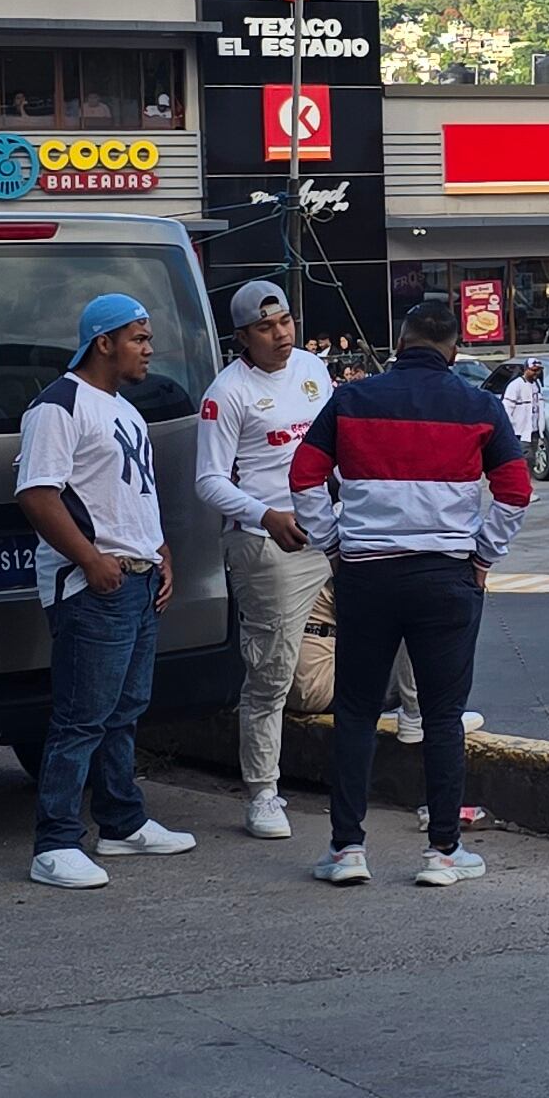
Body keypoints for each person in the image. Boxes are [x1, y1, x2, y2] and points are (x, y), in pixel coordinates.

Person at [288, 303, 530, 886]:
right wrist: (482, 556)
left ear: (400, 341)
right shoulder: (480, 405)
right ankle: (443, 853)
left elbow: (303, 475)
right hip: (446, 578)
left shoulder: (351, 401)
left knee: (355, 713)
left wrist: (333, 545)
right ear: (452, 350)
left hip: (366, 575)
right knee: (443, 716)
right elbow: (516, 491)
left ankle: (347, 850)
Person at [10, 292, 196, 889]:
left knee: (124, 712)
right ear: (104, 341)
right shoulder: (59, 406)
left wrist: (159, 549)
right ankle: (55, 842)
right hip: (93, 588)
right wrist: (91, 562)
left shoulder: (124, 409)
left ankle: (121, 822)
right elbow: (38, 494)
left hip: (136, 584)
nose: (150, 349)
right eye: (139, 338)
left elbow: (130, 492)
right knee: (80, 718)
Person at [195, 280, 332, 840]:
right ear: (243, 336)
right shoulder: (227, 393)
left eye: (285, 322)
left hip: (331, 525)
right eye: (266, 328)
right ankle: (264, 793)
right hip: (270, 542)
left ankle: (422, 719)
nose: (280, 335)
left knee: (396, 613)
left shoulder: (312, 369)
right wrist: (263, 515)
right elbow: (207, 481)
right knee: (271, 671)